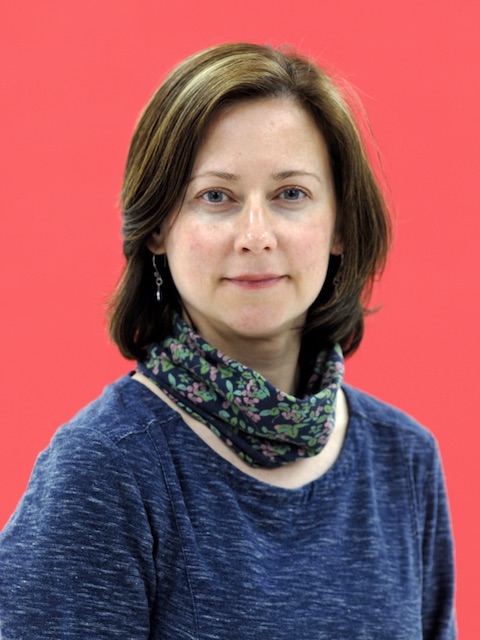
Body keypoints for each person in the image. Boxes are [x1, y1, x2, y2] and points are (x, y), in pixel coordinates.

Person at [0, 42, 456, 639]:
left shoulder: (405, 460)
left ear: (340, 225)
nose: (256, 235)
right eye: (216, 196)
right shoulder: (105, 469)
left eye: (291, 194)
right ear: (158, 227)